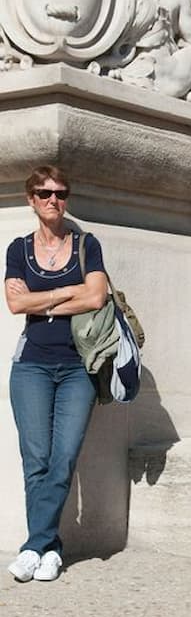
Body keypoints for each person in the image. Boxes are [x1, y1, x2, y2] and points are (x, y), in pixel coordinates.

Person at [4, 166, 108, 582]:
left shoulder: (86, 244)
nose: (53, 200)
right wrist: (69, 292)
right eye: (44, 193)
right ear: (30, 199)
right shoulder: (18, 249)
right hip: (30, 365)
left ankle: (33, 546)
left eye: (60, 193)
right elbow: (14, 305)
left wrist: (41, 300)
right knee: (37, 460)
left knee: (63, 458)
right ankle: (48, 549)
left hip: (78, 367)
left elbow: (97, 295)